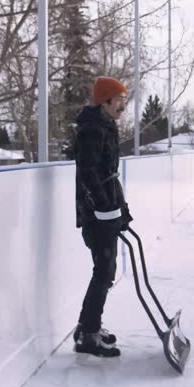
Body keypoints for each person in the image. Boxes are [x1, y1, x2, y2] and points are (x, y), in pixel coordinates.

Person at [72, 77, 133, 359]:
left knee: (105, 270)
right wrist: (103, 206)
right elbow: (88, 173)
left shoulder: (106, 126)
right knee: (104, 270)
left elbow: (108, 175)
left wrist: (121, 208)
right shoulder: (92, 130)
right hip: (95, 212)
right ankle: (88, 334)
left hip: (105, 208)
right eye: (118, 98)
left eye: (123, 98)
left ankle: (88, 326)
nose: (123, 103)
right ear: (105, 100)